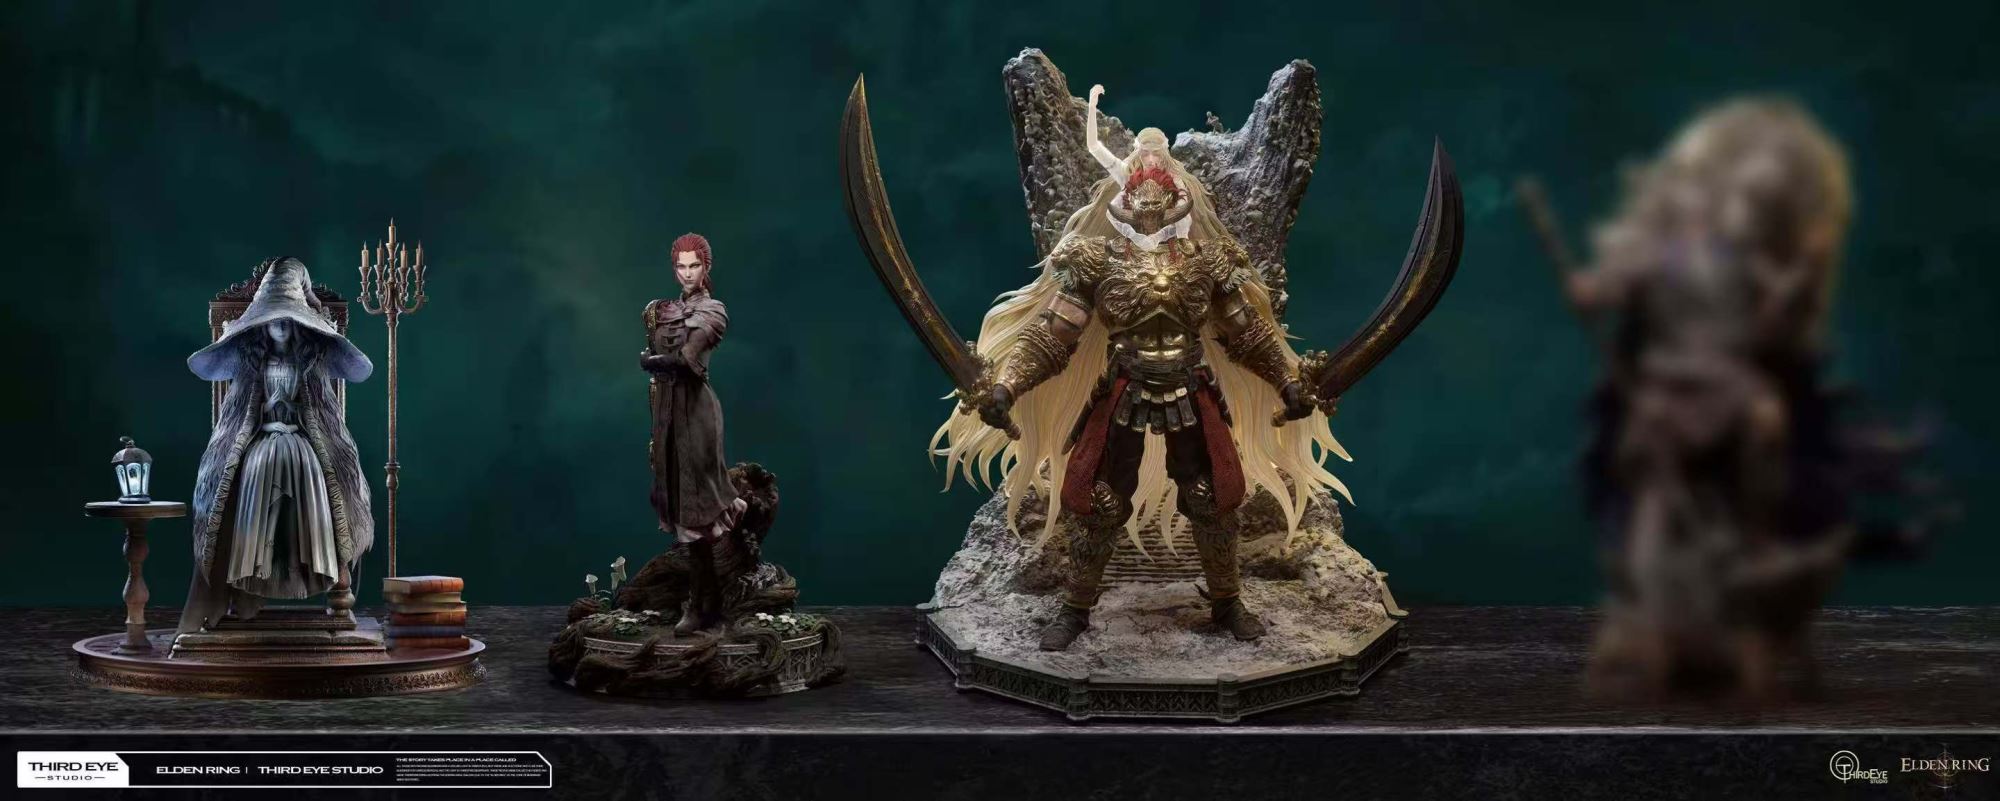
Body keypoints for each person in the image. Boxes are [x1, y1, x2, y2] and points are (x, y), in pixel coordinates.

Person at [180, 258, 374, 633]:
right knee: (257, 466)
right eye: (273, 320)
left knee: (309, 467)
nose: (280, 326)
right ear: (263, 326)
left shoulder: (308, 365)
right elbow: (239, 413)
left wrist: (295, 416)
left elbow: (322, 412)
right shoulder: (255, 365)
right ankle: (253, 566)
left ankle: (311, 560)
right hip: (263, 438)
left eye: (287, 320)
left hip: (301, 441)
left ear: (299, 324)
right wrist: (270, 414)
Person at [642, 232, 747, 634]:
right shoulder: (663, 309)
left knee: (697, 506)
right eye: (681, 267)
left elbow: (687, 359)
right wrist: (656, 360)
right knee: (680, 502)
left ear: (706, 267)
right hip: (668, 411)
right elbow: (660, 351)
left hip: (697, 411)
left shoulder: (713, 310)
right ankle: (706, 601)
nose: (688, 273)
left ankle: (704, 604)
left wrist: (653, 361)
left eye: (695, 266)